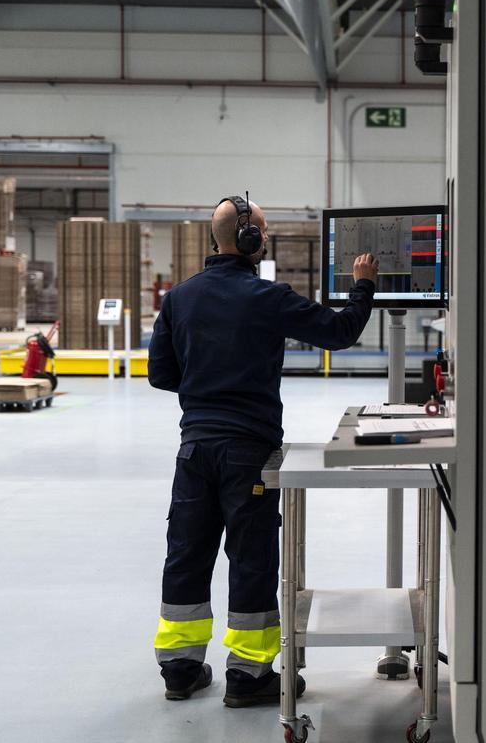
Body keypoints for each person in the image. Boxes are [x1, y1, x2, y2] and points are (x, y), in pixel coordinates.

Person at [148, 195, 379, 706]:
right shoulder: (266, 297)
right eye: (264, 231)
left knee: (186, 553)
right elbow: (340, 332)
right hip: (247, 452)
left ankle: (179, 670)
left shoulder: (180, 298)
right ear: (249, 238)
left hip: (194, 450)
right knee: (250, 558)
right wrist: (363, 285)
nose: (266, 238)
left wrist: (207, 382)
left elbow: (161, 374)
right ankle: (249, 676)